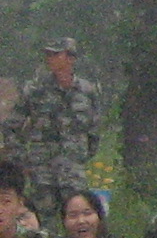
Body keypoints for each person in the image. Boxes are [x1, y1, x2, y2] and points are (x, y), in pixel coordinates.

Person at [1, 37, 103, 216]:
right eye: (48, 54)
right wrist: (21, 159)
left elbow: (94, 129)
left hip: (73, 173)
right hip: (42, 172)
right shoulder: (35, 89)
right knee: (42, 221)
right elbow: (11, 127)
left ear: (71, 58)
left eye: (56, 54)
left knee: (77, 218)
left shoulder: (88, 91)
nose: (50, 58)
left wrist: (82, 156)